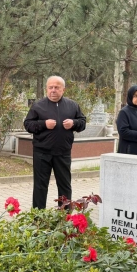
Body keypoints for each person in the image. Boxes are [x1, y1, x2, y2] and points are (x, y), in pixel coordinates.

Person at [24, 76, 86, 209]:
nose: (53, 90)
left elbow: (82, 122)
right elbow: (28, 124)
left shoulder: (72, 105)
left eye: (56, 87)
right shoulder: (38, 106)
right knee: (40, 186)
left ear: (63, 89)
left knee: (64, 185)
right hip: (42, 153)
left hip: (63, 152)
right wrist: (43, 124)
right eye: (50, 87)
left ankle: (64, 216)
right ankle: (38, 217)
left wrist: (74, 123)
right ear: (46, 89)